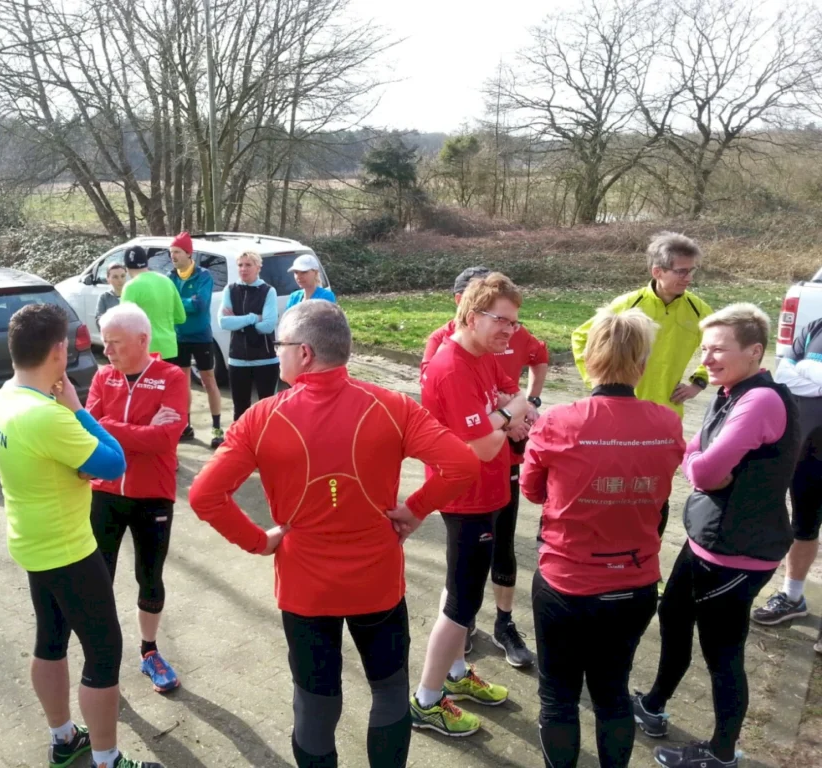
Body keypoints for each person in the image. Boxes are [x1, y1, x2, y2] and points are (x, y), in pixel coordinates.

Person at [189, 300, 479, 768]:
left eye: (278, 345)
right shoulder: (393, 406)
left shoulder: (262, 418)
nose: (275, 353)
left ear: (303, 353)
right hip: (377, 583)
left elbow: (205, 496)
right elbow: (463, 464)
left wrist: (258, 541)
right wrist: (415, 509)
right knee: (388, 692)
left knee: (315, 703)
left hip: (306, 590)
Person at [0, 303, 159, 768]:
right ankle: (107, 759)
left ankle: (64, 739)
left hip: (32, 541)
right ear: (60, 351)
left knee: (51, 639)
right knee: (104, 653)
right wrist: (79, 409)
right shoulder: (49, 417)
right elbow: (114, 462)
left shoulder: (7, 396)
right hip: (68, 550)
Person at [631, 304, 800, 768]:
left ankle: (721, 753)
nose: (706, 358)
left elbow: (704, 470)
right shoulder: (731, 391)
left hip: (737, 554)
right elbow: (697, 452)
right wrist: (700, 463)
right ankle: (652, 705)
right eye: (704, 348)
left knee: (722, 653)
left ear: (754, 351)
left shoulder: (760, 400)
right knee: (673, 616)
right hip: (706, 540)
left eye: (718, 349)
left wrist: (701, 465)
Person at [521, 309, 685, 768]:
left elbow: (533, 490)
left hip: (566, 583)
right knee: (612, 693)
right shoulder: (667, 423)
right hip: (634, 583)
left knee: (559, 698)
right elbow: (663, 487)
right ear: (642, 363)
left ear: (590, 359)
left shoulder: (558, 422)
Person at [411, 273, 537, 738]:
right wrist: (510, 414)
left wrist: (510, 412)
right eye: (501, 321)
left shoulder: (484, 356)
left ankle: (457, 674)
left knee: (458, 588)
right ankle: (426, 700)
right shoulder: (451, 366)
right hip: (465, 496)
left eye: (514, 323)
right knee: (464, 601)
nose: (510, 332)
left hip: (488, 491)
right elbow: (483, 446)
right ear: (470, 313)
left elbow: (512, 395)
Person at [572, 232, 711, 543]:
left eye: (692, 271)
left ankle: (646, 559)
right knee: (614, 488)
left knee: (655, 493)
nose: (688, 278)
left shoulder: (699, 310)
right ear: (657, 272)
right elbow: (581, 338)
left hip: (665, 415)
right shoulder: (628, 304)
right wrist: (596, 382)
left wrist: (698, 382)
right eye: (681, 271)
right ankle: (607, 554)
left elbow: (718, 343)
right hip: (619, 413)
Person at [86, 304, 188, 694]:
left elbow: (166, 438)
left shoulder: (172, 377)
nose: (106, 351)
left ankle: (149, 651)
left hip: (153, 497)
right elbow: (89, 430)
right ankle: (101, 656)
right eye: (104, 341)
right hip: (105, 493)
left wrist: (111, 428)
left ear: (143, 341)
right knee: (98, 580)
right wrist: (139, 430)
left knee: (150, 577)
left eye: (114, 343)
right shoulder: (102, 378)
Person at [751, 316, 822, 641]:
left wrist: (806, 369)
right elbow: (784, 376)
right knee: (804, 526)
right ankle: (792, 597)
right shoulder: (814, 326)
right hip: (808, 446)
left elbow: (798, 375)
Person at [165, 231, 225, 448]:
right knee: (183, 383)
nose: (173, 256)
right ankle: (186, 426)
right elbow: (175, 303)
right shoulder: (170, 277)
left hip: (201, 337)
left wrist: (176, 303)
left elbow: (200, 304)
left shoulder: (204, 276)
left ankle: (217, 429)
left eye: (177, 252)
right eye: (171, 252)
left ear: (188, 254)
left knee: (209, 380)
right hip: (179, 337)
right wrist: (185, 302)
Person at [218, 250, 280, 422]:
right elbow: (223, 323)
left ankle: (268, 445)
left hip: (265, 359)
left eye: (248, 265)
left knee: (267, 411)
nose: (243, 269)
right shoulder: (230, 290)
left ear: (258, 267)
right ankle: (241, 445)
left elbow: (268, 326)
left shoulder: (268, 291)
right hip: (238, 359)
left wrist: (238, 322)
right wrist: (253, 318)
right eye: (240, 265)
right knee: (240, 411)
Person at [120, 244, 186, 360]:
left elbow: (124, 324)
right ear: (147, 262)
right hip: (169, 348)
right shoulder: (166, 281)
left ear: (126, 268)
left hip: (145, 352)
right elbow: (181, 317)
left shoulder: (131, 286)